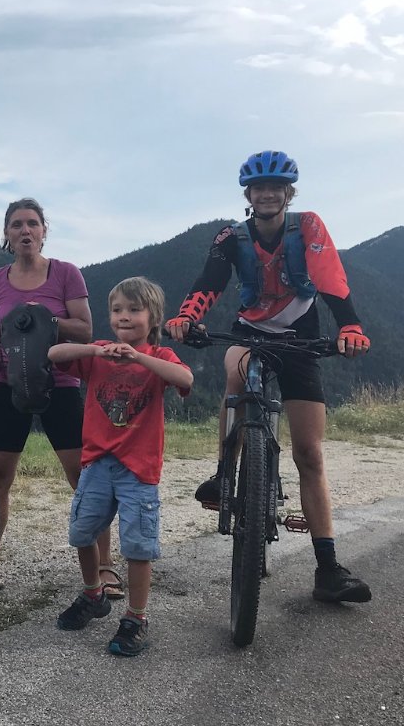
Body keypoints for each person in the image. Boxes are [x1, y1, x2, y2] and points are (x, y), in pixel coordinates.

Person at [164, 151, 373, 604]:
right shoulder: (231, 236)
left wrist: (350, 325)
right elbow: (209, 280)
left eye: (277, 186)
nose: (268, 193)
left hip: (301, 340)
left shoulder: (308, 227)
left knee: (309, 454)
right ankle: (224, 473)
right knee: (234, 373)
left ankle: (327, 569)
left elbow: (331, 279)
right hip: (250, 332)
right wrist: (185, 316)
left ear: (288, 192)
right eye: (260, 188)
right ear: (249, 195)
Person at [0, 197, 115, 594]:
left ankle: (105, 565)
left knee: (83, 476)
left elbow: (85, 330)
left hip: (60, 386)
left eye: (32, 223)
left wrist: (47, 318)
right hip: (8, 385)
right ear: (7, 234)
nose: (25, 231)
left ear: (44, 231)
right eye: (17, 225)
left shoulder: (66, 274)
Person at [49, 277, 193, 656]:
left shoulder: (159, 357)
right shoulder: (97, 352)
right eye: (116, 310)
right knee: (82, 532)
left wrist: (137, 356)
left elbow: (185, 378)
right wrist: (97, 353)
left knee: (137, 546)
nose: (124, 317)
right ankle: (93, 594)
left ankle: (136, 617)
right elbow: (55, 354)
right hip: (97, 462)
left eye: (134, 310)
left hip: (138, 469)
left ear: (153, 317)